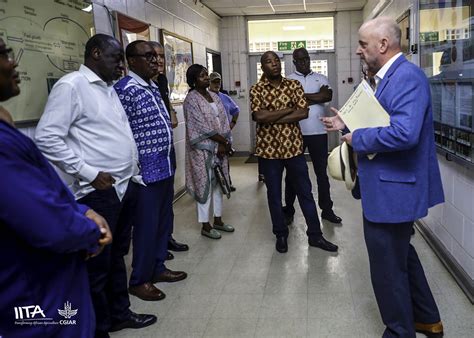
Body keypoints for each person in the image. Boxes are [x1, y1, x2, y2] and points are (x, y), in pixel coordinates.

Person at [322, 17, 444, 338]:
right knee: (402, 255)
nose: (359, 50)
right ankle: (428, 319)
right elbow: (383, 119)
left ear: (383, 45)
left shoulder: (407, 77)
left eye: (363, 44)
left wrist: (357, 138)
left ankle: (399, 331)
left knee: (388, 269)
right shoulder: (387, 78)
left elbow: (404, 134)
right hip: (387, 187)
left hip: (394, 191)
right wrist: (346, 125)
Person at [35, 34, 156, 337]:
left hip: (124, 186)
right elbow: (47, 137)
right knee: (97, 267)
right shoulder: (73, 85)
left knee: (116, 258)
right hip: (99, 193)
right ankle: (97, 328)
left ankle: (119, 315)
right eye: (117, 58)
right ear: (96, 53)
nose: (121, 66)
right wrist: (87, 172)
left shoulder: (107, 87)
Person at [0, 37, 112, 338]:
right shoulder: (72, 86)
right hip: (35, 301)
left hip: (50, 287)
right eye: (4, 54)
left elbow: (34, 191)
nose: (14, 62)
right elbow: (47, 223)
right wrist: (91, 231)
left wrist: (81, 210)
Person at [114, 40, 187, 302]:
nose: (155, 60)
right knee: (145, 227)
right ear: (132, 61)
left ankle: (158, 268)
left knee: (161, 223)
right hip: (144, 171)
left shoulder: (153, 85)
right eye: (148, 56)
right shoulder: (125, 90)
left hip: (165, 165)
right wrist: (132, 169)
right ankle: (140, 280)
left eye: (155, 56)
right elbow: (120, 132)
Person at [249, 51, 338, 254]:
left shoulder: (293, 85)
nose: (274, 65)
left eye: (276, 61)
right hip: (269, 151)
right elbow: (259, 116)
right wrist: (288, 111)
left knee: (305, 191)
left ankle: (315, 235)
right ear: (262, 67)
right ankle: (281, 234)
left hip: (294, 147)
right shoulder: (257, 89)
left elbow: (303, 112)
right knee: (274, 194)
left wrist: (272, 116)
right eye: (269, 62)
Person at [283, 47, 342, 225]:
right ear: (294, 62)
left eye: (306, 59)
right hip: (295, 134)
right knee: (292, 174)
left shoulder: (321, 78)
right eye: (299, 60)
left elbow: (327, 95)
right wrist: (316, 96)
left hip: (318, 133)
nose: (304, 62)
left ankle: (327, 209)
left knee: (321, 174)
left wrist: (300, 97)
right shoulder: (288, 81)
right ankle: (289, 209)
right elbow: (289, 101)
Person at [183, 64, 234, 240]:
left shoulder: (214, 96)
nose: (206, 78)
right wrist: (220, 143)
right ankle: (205, 225)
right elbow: (199, 126)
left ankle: (218, 220)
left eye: (206, 75)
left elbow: (224, 120)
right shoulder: (191, 99)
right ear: (193, 80)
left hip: (220, 147)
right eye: (202, 76)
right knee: (205, 186)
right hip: (202, 150)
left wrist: (226, 143)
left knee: (219, 185)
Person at [149, 41, 189, 256]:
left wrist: (171, 112)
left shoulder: (162, 81)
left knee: (167, 196)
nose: (159, 60)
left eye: (161, 56)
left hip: (166, 148)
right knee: (153, 202)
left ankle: (167, 237)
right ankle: (156, 244)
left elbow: (167, 105)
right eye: (154, 56)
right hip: (150, 154)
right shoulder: (137, 86)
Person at [208, 71, 239, 191]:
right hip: (211, 135)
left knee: (225, 159)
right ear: (209, 83)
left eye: (218, 81)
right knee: (212, 159)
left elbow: (236, 111)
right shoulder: (205, 98)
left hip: (225, 134)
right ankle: (213, 184)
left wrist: (232, 123)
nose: (217, 84)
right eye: (214, 82)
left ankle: (227, 182)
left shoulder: (225, 98)